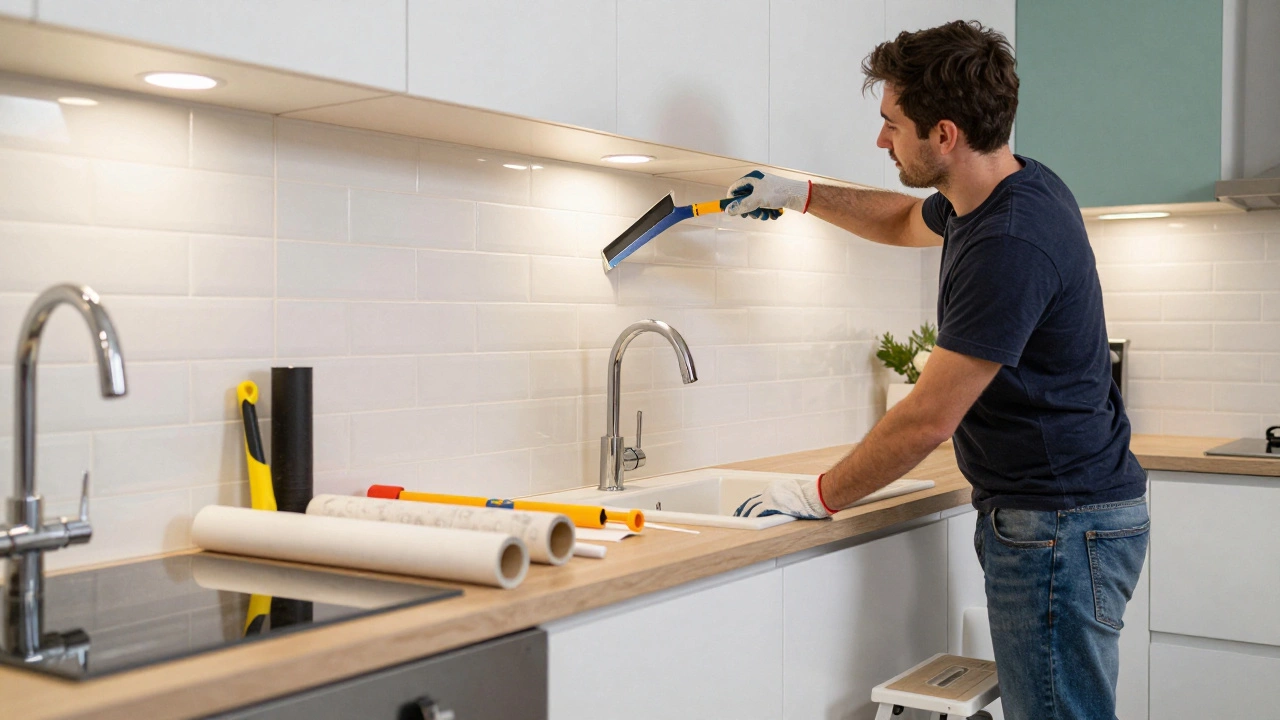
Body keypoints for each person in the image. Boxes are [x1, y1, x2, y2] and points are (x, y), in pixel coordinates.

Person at [728, 20, 1148, 720]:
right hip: (1063, 517)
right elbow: (901, 222)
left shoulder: (1009, 242)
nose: (881, 140)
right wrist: (800, 193)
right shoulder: (1001, 193)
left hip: (1059, 525)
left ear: (944, 135)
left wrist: (817, 494)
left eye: (892, 124)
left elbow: (928, 420)